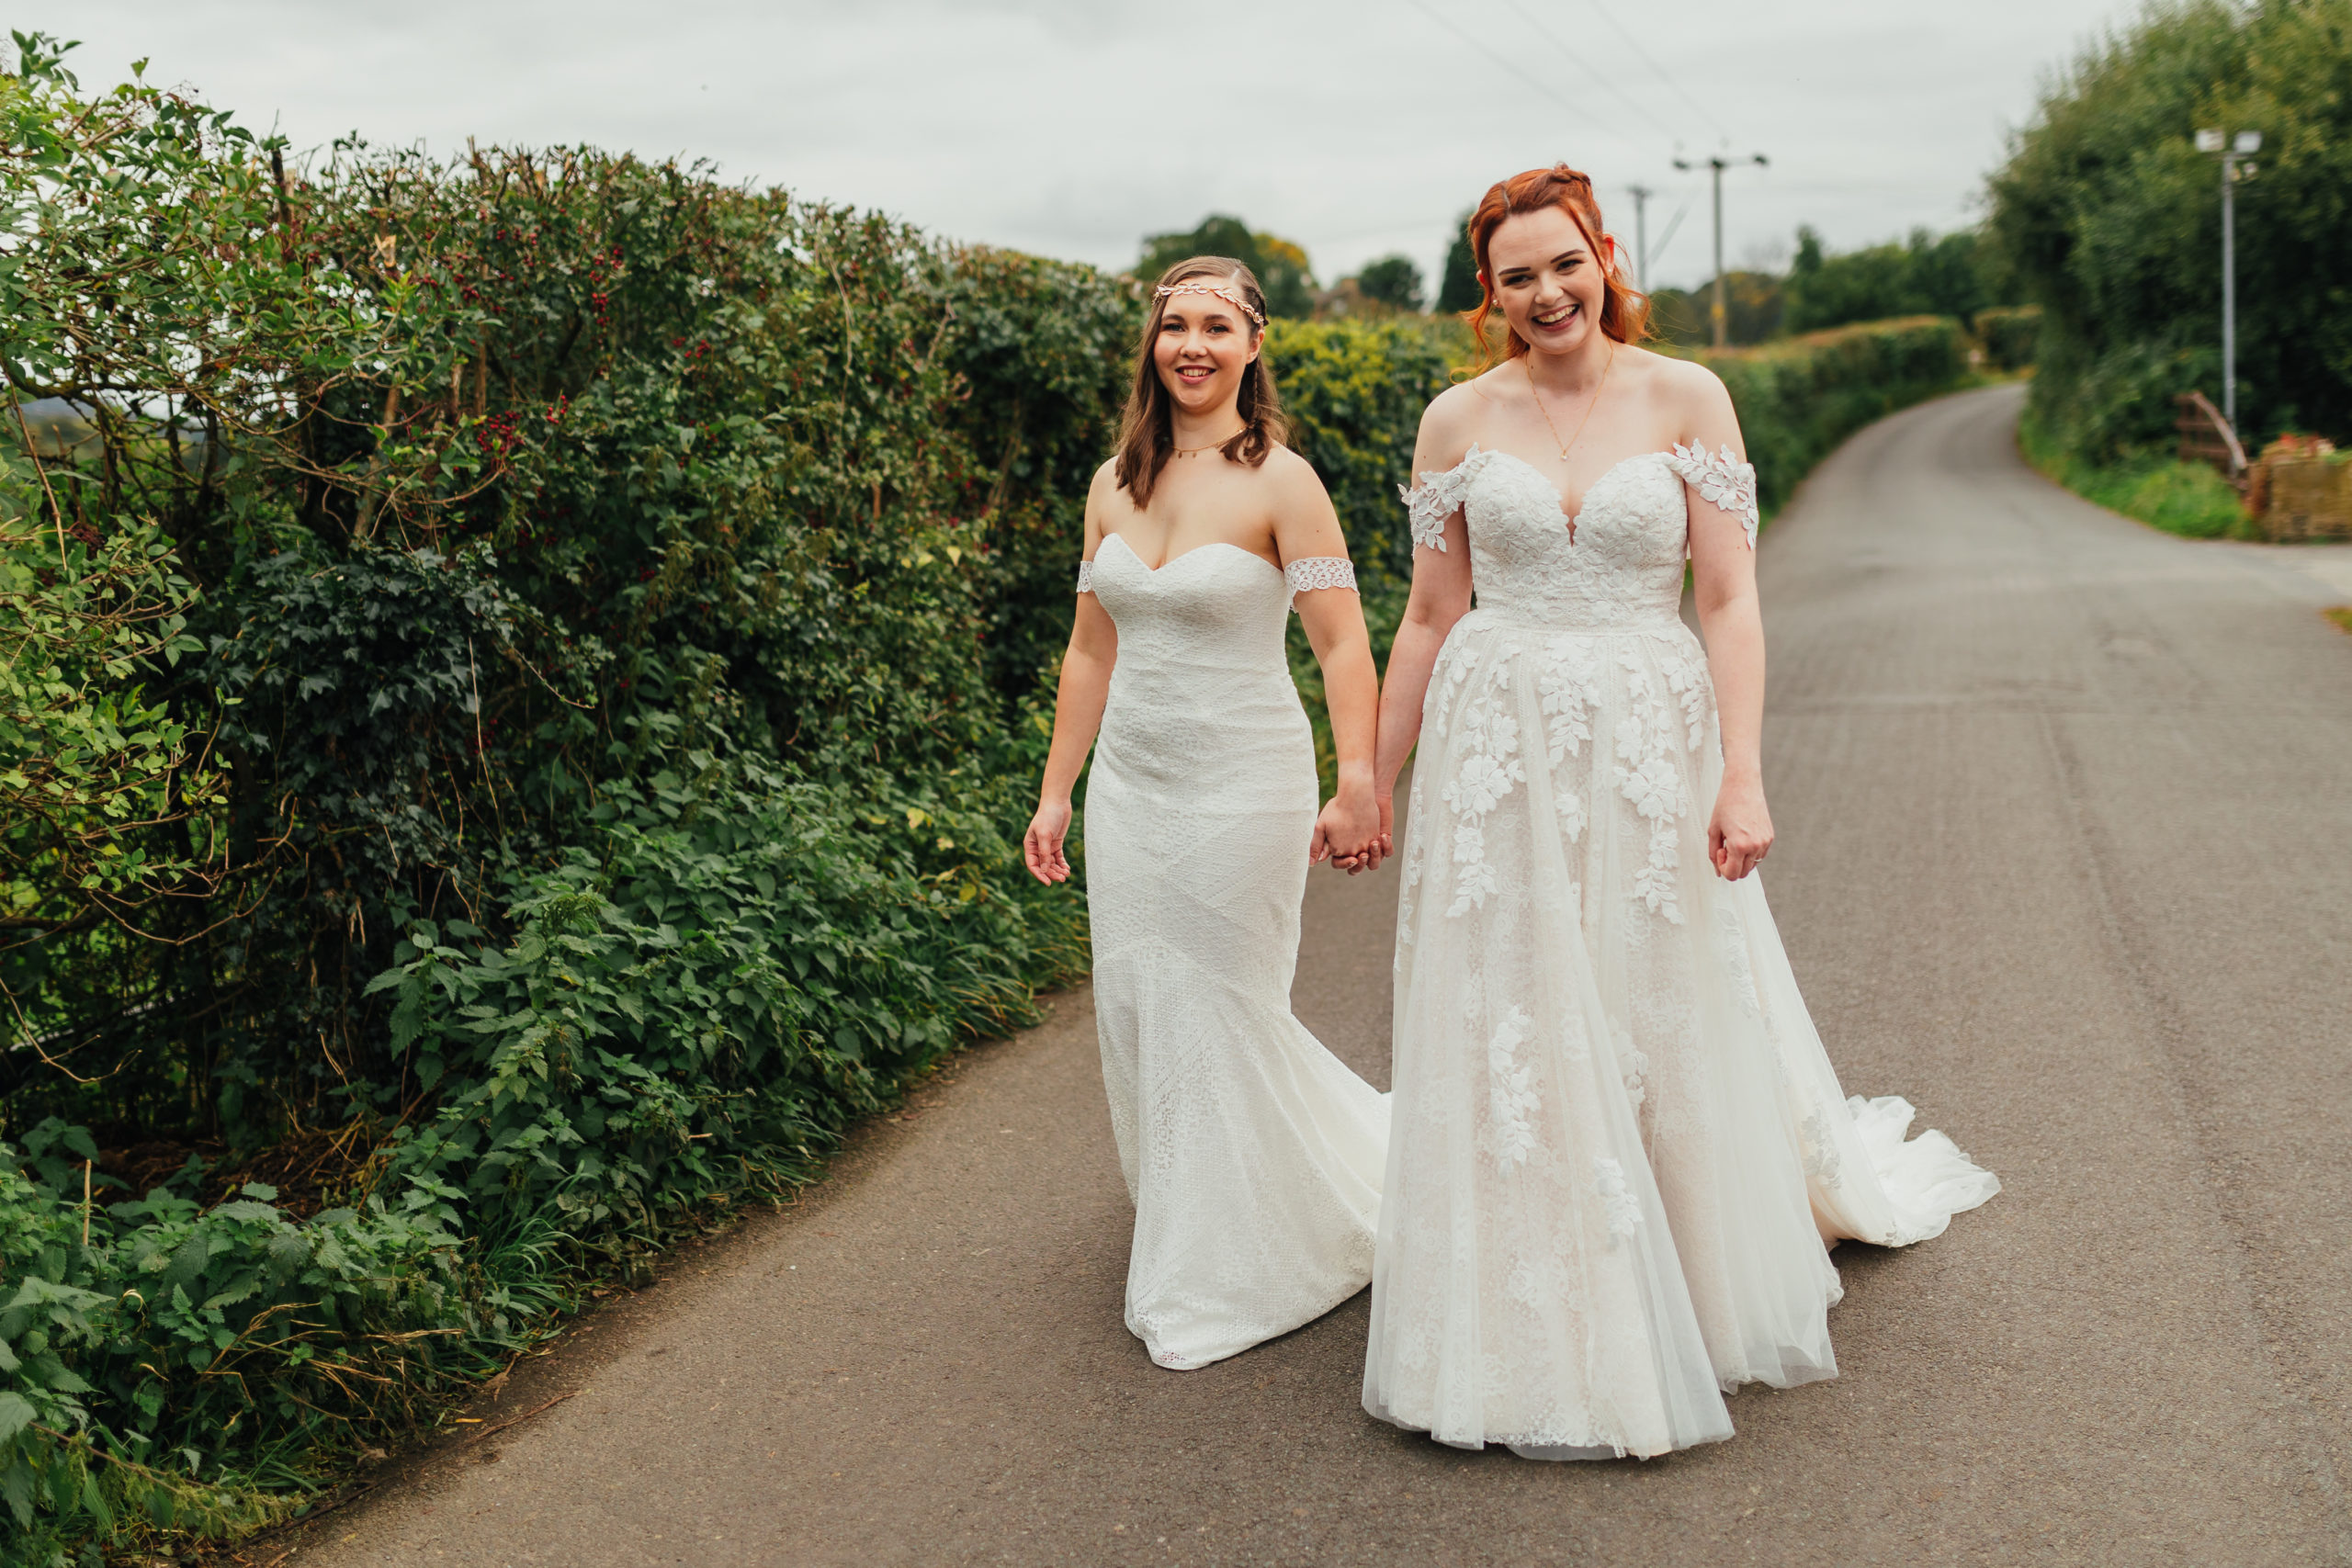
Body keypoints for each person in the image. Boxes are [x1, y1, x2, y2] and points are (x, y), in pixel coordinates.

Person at [1361, 165, 1998, 1458]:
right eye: (1517, 275)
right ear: (1489, 294)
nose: (1548, 293)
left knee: (1656, 987)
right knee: (1519, 1000)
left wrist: (1743, 770)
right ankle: (1529, 1291)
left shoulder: (1688, 395)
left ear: (1605, 257)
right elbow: (1429, 615)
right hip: (1503, 742)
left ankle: (1693, 1270)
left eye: (1566, 262)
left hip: (1654, 729)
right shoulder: (1453, 418)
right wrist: (1369, 772)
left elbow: (1728, 600)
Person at [1023, 256, 1391, 1371]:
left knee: (1224, 997)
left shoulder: (1284, 480)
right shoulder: (1110, 485)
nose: (1191, 344)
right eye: (1174, 325)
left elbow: (1340, 641)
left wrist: (1358, 778)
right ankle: (1188, 1216)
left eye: (1215, 326)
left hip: (1244, 781)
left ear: (1252, 344)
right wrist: (1057, 790)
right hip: (1133, 787)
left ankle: (1246, 1247)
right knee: (1140, 996)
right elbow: (1091, 650)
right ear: (1152, 344)